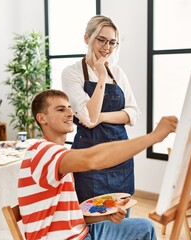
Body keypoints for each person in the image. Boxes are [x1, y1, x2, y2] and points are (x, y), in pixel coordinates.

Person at [17, 89, 177, 239]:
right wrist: (154, 136)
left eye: (69, 108)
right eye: (61, 109)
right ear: (42, 118)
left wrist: (104, 216)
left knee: (145, 227)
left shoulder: (57, 152)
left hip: (82, 232)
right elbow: (92, 159)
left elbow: (68, 215)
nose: (69, 113)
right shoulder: (43, 152)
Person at [62, 15, 140, 205]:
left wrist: (103, 117)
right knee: (91, 216)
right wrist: (102, 76)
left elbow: (133, 114)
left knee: (122, 215)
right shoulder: (72, 73)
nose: (107, 47)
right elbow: (90, 116)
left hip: (119, 156)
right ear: (87, 38)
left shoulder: (118, 72)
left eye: (112, 42)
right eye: (101, 40)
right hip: (89, 158)